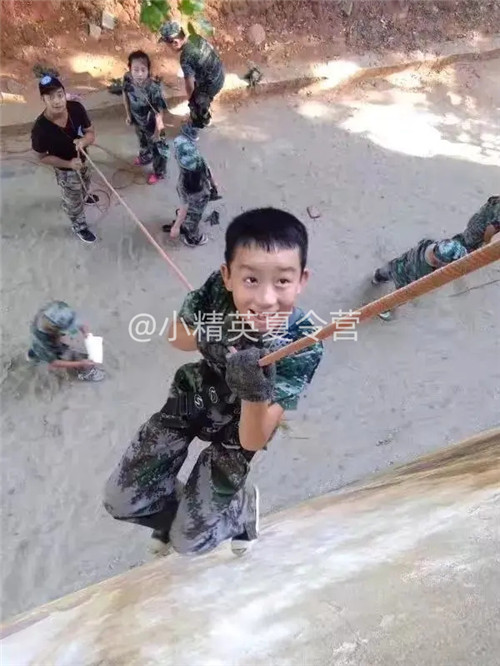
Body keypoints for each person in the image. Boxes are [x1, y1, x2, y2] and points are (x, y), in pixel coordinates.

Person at [104, 208, 323, 557]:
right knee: (122, 500)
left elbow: (254, 438)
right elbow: (176, 337)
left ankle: (241, 510)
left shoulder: (303, 343)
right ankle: (178, 513)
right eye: (250, 280)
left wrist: (254, 393)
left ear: (301, 280)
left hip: (241, 426)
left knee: (189, 543)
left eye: (282, 281)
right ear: (228, 276)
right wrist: (209, 331)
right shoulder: (218, 291)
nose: (266, 299)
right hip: (196, 393)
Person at [31, 74, 98, 244]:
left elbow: (90, 132)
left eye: (60, 95)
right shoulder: (40, 129)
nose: (57, 101)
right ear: (43, 99)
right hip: (65, 170)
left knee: (85, 182)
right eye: (50, 97)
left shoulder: (76, 108)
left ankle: (84, 196)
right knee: (72, 200)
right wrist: (68, 164)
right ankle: (79, 225)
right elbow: (41, 157)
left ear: (64, 93)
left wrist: (84, 141)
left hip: (83, 159)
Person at [372, 238, 467, 320]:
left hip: (399, 263)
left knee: (386, 271)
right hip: (403, 279)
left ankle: (376, 279)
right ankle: (384, 309)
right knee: (400, 297)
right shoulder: (424, 272)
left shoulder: (428, 243)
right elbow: (416, 285)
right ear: (439, 262)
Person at [159, 21, 225, 134]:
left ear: (175, 43)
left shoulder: (185, 57)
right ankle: (204, 105)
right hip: (220, 73)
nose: (168, 48)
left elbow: (189, 85)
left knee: (195, 102)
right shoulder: (195, 37)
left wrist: (192, 102)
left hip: (212, 84)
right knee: (198, 91)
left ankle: (202, 121)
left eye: (167, 45)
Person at [122, 50, 170, 185]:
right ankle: (145, 156)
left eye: (143, 70)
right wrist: (128, 114)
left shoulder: (153, 88)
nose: (139, 74)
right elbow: (125, 94)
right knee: (142, 139)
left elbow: (159, 112)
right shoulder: (127, 78)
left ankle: (159, 172)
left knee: (159, 148)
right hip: (138, 119)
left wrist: (157, 132)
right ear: (130, 69)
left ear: (148, 70)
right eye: (135, 70)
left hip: (153, 124)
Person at [26, 301, 105, 382]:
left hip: (51, 333)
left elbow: (79, 324)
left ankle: (57, 351)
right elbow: (54, 362)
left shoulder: (62, 312)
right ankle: (34, 357)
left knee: (59, 347)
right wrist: (80, 364)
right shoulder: (42, 338)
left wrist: (88, 336)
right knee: (43, 354)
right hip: (43, 343)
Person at [161, 132, 216, 247]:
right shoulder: (199, 160)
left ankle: (192, 238)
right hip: (205, 193)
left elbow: (184, 208)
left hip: (196, 201)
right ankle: (186, 222)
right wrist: (214, 185)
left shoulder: (183, 185)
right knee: (191, 215)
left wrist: (176, 227)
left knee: (192, 220)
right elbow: (209, 172)